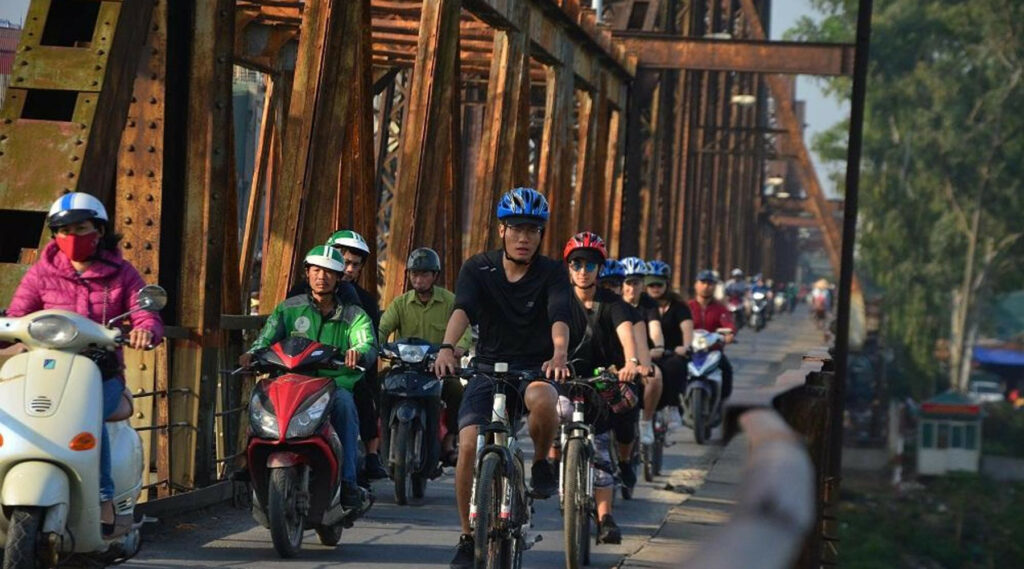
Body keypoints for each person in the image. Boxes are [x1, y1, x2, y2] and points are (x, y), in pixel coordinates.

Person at [5, 192, 164, 538]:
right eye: (63, 230)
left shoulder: (122, 274)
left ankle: (104, 498)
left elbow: (144, 313)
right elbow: (17, 314)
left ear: (99, 231)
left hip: (99, 373)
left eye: (81, 228)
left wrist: (143, 331)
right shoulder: (41, 274)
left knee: (86, 417)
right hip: (45, 371)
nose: (72, 238)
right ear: (53, 235)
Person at [432, 187, 571, 569]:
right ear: (501, 230)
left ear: (541, 234)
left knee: (544, 401)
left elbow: (559, 312)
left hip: (534, 367)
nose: (524, 237)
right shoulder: (479, 268)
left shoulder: (552, 272)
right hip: (488, 367)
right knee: (467, 446)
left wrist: (558, 354)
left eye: (532, 230)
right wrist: (447, 347)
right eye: (516, 229)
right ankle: (466, 535)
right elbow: (463, 309)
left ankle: (542, 461)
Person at [240, 246, 376, 509]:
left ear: (339, 277)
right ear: (307, 273)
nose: (321, 276)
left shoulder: (353, 314)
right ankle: (248, 464)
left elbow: (366, 342)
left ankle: (348, 482)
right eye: (316, 270)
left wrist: (357, 353)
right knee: (260, 397)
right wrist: (252, 353)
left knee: (346, 407)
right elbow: (266, 337)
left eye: (328, 272)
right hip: (290, 382)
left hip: (333, 385)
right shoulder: (288, 309)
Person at [561, 232, 642, 544]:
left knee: (601, 446)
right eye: (577, 263)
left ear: (600, 269)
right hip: (566, 379)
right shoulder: (559, 300)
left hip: (602, 380)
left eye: (591, 264)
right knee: (552, 407)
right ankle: (552, 456)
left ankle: (606, 516)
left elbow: (625, 330)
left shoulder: (613, 304)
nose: (583, 270)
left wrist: (631, 361)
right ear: (568, 267)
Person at [378, 247, 472, 467]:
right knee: (378, 386)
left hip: (437, 369)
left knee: (456, 391)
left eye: (423, 274)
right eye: (414, 273)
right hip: (403, 368)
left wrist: (458, 348)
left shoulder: (450, 301)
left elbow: (465, 330)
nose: (418, 279)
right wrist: (375, 344)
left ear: (435, 276)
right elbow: (382, 328)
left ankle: (449, 441)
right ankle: (378, 442)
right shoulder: (400, 303)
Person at [325, 229, 388, 482]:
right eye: (344, 262)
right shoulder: (300, 293)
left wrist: (359, 356)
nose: (349, 269)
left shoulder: (363, 302)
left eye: (355, 265)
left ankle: (360, 466)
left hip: (343, 371)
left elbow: (368, 341)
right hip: (304, 369)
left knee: (364, 393)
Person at [644, 260, 693, 429]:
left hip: (672, 353)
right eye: (651, 285)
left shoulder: (679, 307)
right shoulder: (642, 305)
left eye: (659, 284)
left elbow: (687, 327)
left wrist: (686, 346)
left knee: (674, 366)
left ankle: (673, 407)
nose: (655, 288)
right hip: (645, 353)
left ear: (667, 284)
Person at [687, 270, 737, 401]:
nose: (706, 286)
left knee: (727, 370)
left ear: (714, 287)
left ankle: (722, 402)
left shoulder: (720, 309)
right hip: (690, 351)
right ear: (696, 285)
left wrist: (729, 334)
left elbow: (729, 324)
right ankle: (673, 406)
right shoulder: (687, 307)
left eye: (710, 283)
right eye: (702, 282)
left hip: (713, 351)